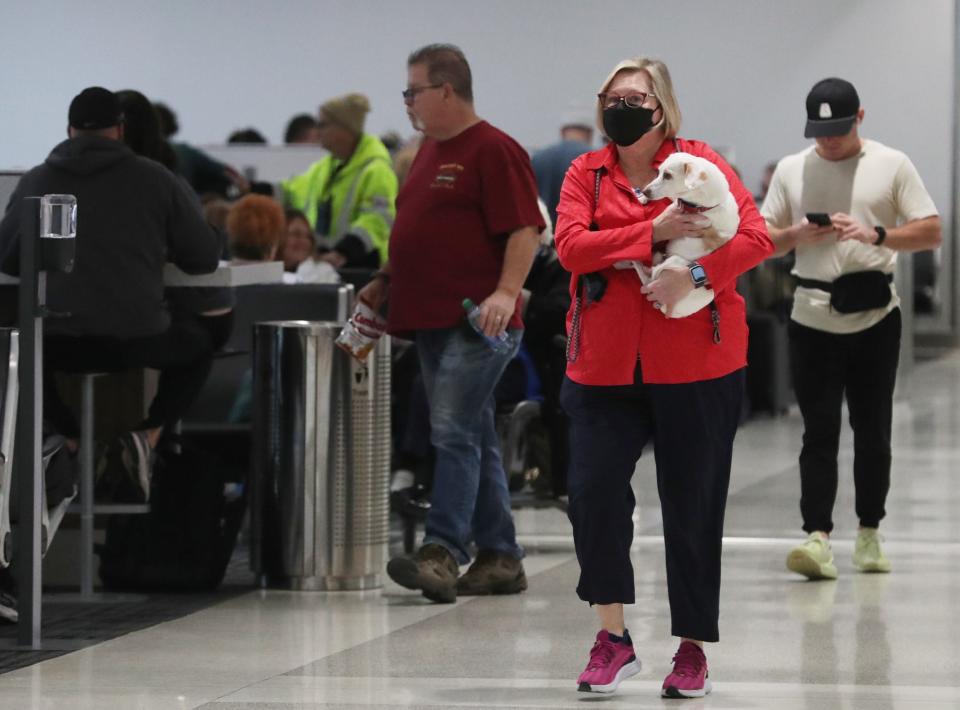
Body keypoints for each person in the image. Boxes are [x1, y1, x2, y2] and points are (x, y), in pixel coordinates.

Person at [554, 58, 772, 699]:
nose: (619, 105)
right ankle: (613, 637)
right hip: (603, 364)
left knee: (693, 504)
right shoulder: (585, 175)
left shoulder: (701, 165)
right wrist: (651, 231)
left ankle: (692, 649)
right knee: (593, 494)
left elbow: (754, 237)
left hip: (698, 363)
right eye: (609, 96)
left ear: (661, 106)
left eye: (633, 96)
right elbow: (570, 247)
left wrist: (695, 274)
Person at [358, 43, 544, 603]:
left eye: (413, 91)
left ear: (445, 90)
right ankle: (500, 556)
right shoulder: (428, 153)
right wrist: (386, 277)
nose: (407, 103)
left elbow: (525, 230)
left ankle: (442, 550)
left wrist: (507, 293)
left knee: (453, 431)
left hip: (478, 324)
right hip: (431, 319)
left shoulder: (493, 150)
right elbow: (420, 229)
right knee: (475, 434)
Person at [0, 87, 220, 500]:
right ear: (119, 130)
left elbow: (8, 260)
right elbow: (203, 259)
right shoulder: (157, 179)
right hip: (137, 341)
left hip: (57, 343)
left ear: (69, 130)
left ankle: (66, 438)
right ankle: (147, 435)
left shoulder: (37, 180)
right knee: (199, 344)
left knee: (20, 347)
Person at [760, 78, 941, 581]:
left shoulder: (892, 163)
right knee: (818, 430)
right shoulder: (793, 170)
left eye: (837, 130)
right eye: (820, 132)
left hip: (875, 316)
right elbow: (761, 239)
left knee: (873, 430)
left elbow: (931, 228)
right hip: (811, 314)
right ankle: (816, 536)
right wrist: (794, 234)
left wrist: (877, 233)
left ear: (860, 117)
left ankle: (869, 530)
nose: (829, 142)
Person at [281, 93, 397, 269]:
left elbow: (377, 220)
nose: (317, 132)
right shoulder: (326, 167)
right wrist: (252, 188)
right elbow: (292, 190)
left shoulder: (376, 170)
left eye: (323, 125)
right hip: (330, 264)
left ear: (345, 129)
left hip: (363, 268)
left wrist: (343, 252)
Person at [531, 120, 593, 228]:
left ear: (562, 132)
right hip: (577, 237)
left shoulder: (538, 158)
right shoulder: (594, 159)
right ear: (589, 134)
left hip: (544, 236)